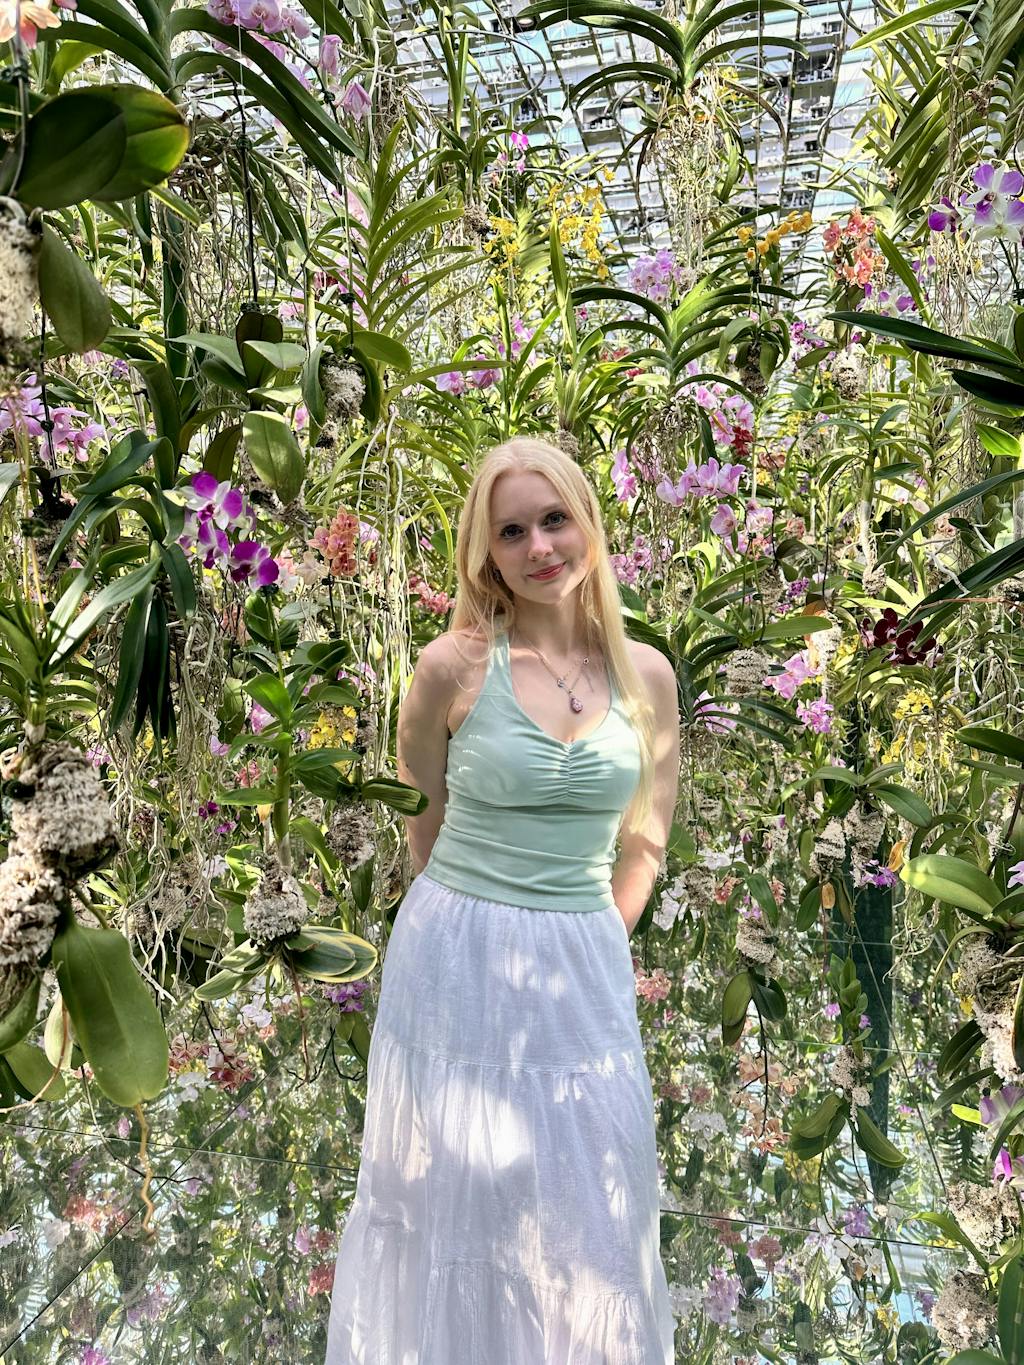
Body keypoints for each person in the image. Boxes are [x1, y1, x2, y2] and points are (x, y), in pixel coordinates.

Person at [325, 436, 681, 1363]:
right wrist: (490, 918)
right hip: (457, 958)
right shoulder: (452, 667)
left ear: (588, 523)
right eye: (512, 531)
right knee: (456, 1194)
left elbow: (646, 838)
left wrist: (596, 932)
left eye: (554, 519)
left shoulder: (646, 675)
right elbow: (424, 824)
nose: (539, 547)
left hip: (582, 961)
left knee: (590, 1203)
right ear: (486, 552)